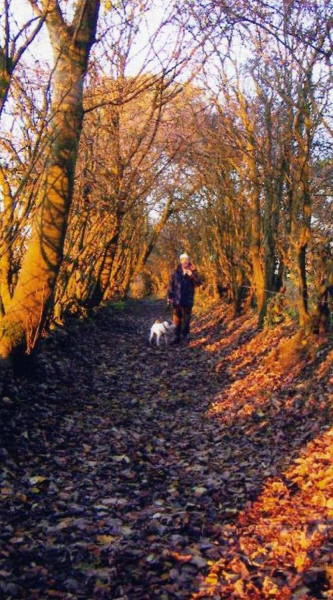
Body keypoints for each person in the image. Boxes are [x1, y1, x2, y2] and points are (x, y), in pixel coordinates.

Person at [167, 253, 201, 344]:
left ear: (188, 261)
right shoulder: (176, 272)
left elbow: (198, 283)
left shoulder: (193, 271)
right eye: (183, 260)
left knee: (186, 319)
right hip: (176, 300)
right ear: (180, 261)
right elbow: (171, 285)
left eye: (186, 260)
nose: (185, 261)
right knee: (176, 319)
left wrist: (191, 274)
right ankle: (176, 336)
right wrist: (169, 296)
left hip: (188, 299)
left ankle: (185, 336)